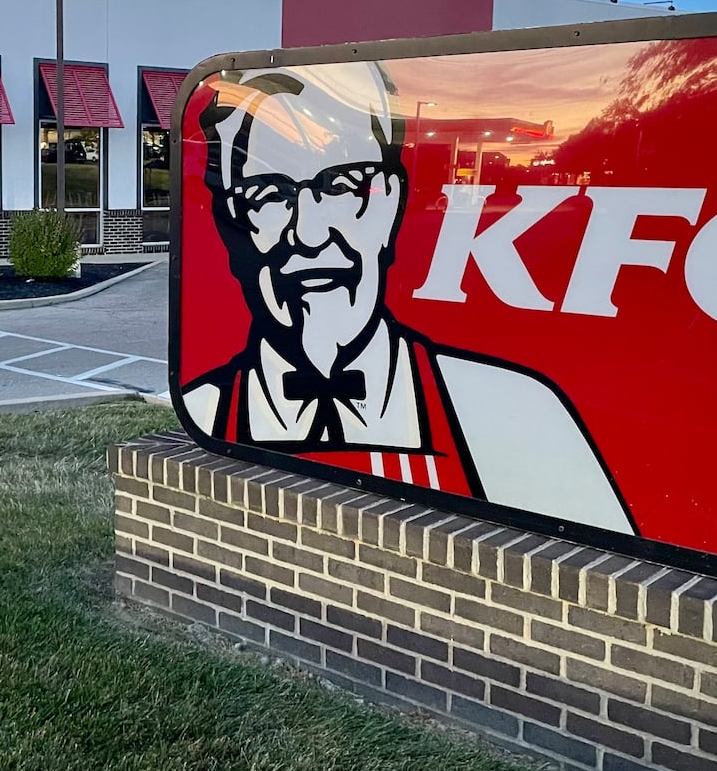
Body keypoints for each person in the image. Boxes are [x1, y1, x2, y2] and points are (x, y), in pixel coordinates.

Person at [181, 60, 636, 536]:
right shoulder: (206, 412)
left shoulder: (514, 411)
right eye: (269, 194)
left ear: (389, 204)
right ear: (232, 227)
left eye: (341, 186)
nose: (310, 234)